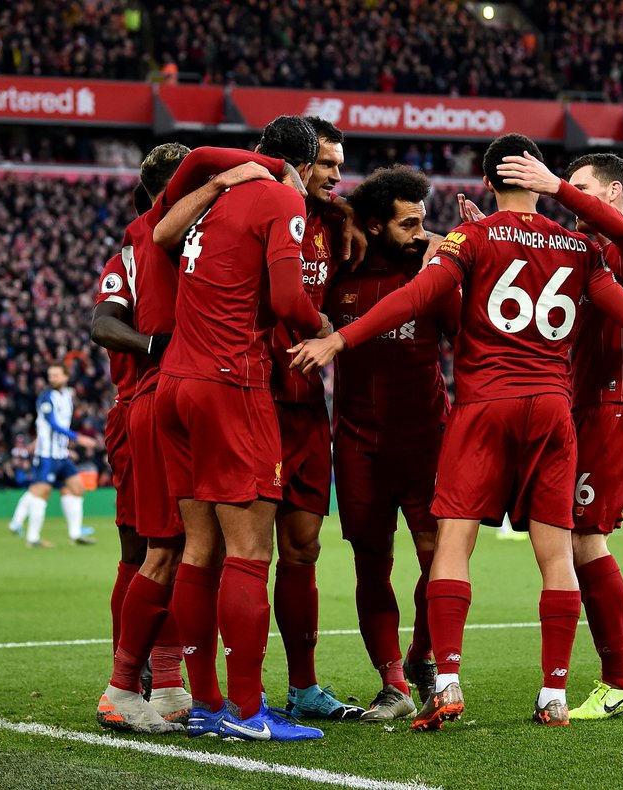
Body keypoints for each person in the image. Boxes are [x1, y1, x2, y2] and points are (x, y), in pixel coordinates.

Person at [290, 133, 623, 731]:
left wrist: (340, 337)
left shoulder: (470, 239)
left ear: (490, 181)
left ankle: (444, 681)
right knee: (557, 554)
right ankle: (553, 694)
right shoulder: (579, 247)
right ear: (539, 178)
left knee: (451, 543)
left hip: (485, 407)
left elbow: (417, 295)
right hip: (553, 409)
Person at [94, 142, 284, 734]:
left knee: (185, 549)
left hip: (169, 399)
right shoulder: (152, 234)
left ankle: (174, 685)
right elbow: (103, 321)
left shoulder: (184, 234)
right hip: (158, 399)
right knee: (163, 551)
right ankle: (124, 686)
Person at [155, 124, 331, 742]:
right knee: (251, 553)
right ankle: (250, 710)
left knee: (200, 550)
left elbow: (160, 233)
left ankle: (204, 703)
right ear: (303, 167)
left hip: (175, 384)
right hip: (232, 382)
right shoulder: (284, 197)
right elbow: (288, 300)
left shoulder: (218, 194)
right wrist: (322, 325)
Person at [494, 150, 623, 719]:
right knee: (562, 535)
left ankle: (620, 676)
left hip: (617, 404)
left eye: (579, 187)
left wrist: (552, 186)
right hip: (579, 403)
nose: (566, 195)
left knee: (580, 540)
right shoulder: (582, 253)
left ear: (614, 194)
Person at [325, 165, 459, 722]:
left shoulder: (434, 269)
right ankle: (392, 684)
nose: (421, 231)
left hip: (426, 439)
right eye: (410, 223)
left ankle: (422, 656)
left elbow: (467, 337)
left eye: (424, 220)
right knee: (370, 564)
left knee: (437, 556)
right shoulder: (342, 271)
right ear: (374, 226)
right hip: (358, 442)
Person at [266, 117, 364, 721]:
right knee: (234, 550)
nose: (334, 174)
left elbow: (392, 221)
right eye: (326, 163)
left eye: (338, 164)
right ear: (299, 162)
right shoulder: (256, 208)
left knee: (303, 549)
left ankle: (302, 686)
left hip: (306, 403)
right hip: (254, 397)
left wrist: (346, 209)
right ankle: (205, 685)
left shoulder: (330, 221)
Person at [18, 363, 97, 548]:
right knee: (41, 493)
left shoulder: (67, 396)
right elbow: (53, 424)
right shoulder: (47, 397)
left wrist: (67, 445)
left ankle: (75, 534)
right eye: (50, 375)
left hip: (61, 454)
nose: (52, 378)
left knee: (77, 488)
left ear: (65, 376)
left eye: (56, 375)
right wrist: (78, 438)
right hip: (47, 455)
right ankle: (32, 537)